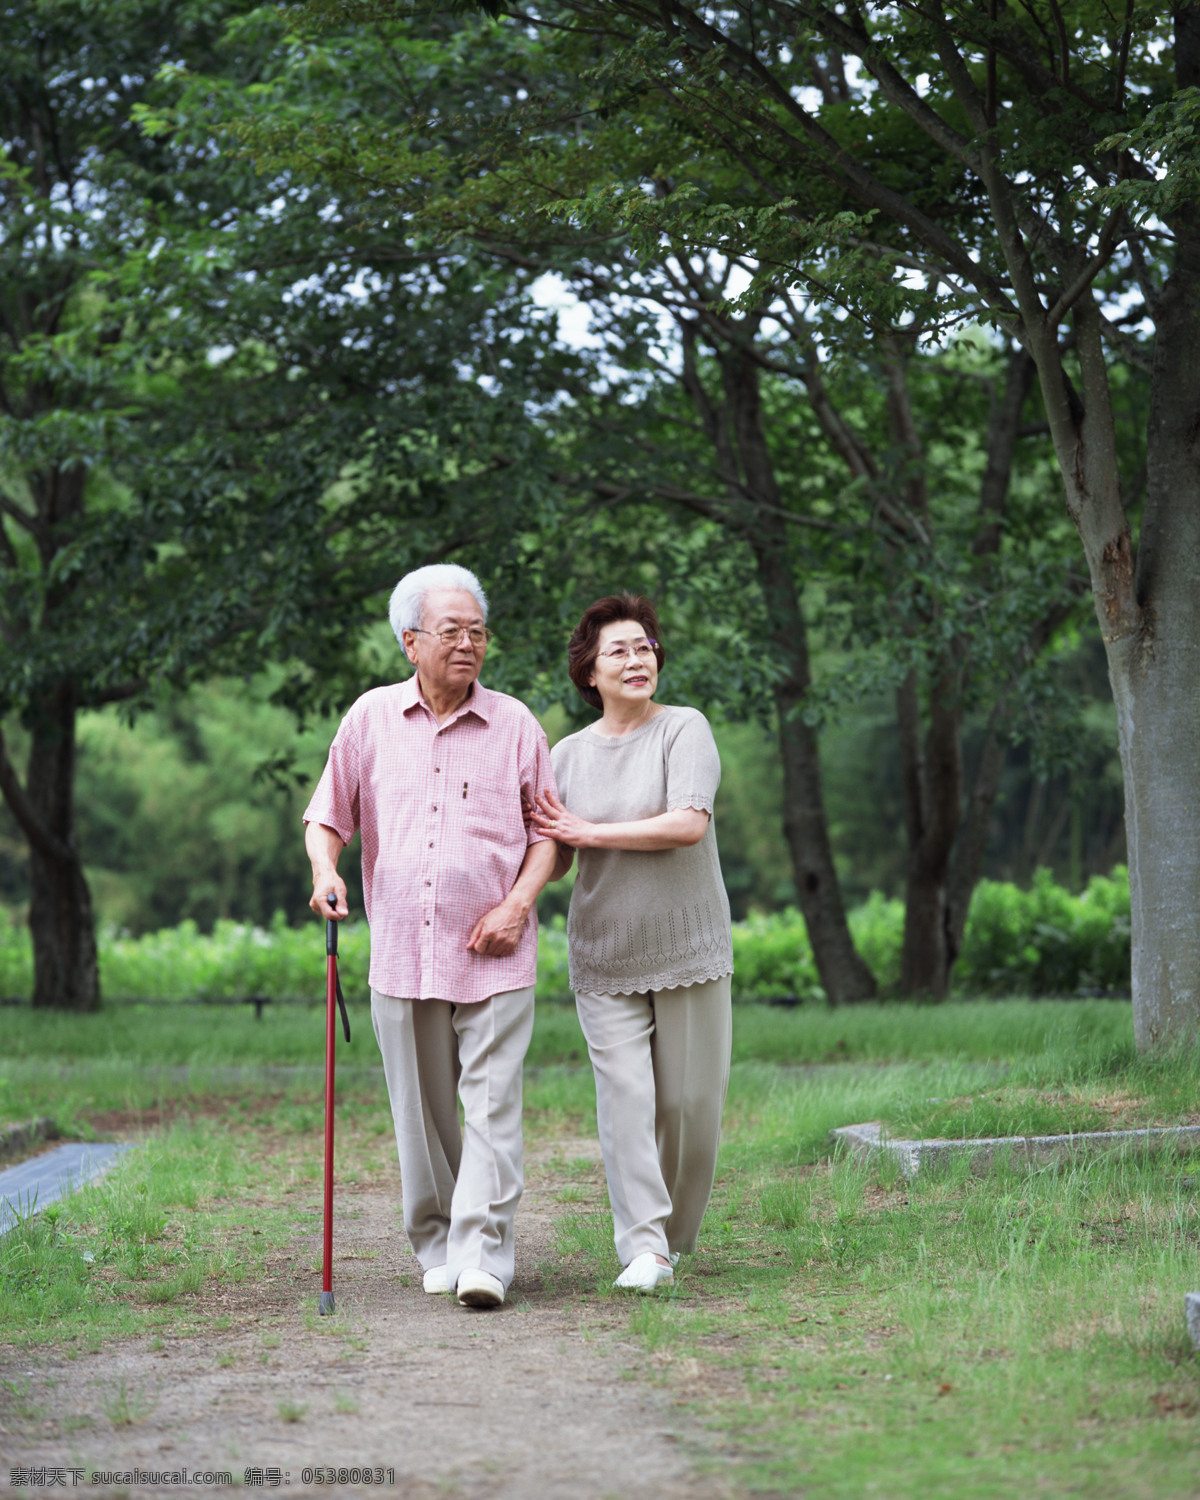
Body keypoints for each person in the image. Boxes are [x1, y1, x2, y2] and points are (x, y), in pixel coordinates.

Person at [303, 564, 559, 1310]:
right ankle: (438, 1237)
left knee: (491, 1104)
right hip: (403, 954)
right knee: (420, 1114)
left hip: (497, 951)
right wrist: (327, 870)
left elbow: (548, 834)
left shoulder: (516, 724)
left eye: (478, 632)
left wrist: (517, 904)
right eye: (451, 631)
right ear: (409, 641)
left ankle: (484, 1253)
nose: (468, 644)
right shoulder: (370, 719)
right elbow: (328, 815)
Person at [531, 592, 733, 1292]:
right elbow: (552, 854)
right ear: (589, 672)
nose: (636, 658)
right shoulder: (563, 756)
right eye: (618, 649)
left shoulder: (684, 729)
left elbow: (687, 824)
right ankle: (645, 1248)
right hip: (604, 953)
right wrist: (511, 891)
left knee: (688, 1110)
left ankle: (673, 1238)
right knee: (625, 1102)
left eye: (644, 646)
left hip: (688, 951)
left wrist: (591, 834)